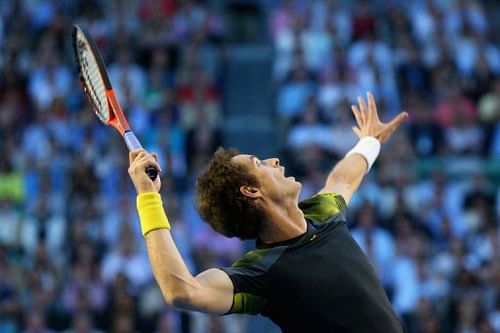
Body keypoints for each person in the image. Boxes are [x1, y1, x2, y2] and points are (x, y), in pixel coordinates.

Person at [128, 92, 408, 332]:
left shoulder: (323, 212)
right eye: (259, 163)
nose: (273, 160)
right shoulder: (261, 272)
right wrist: (149, 197)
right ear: (251, 191)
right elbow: (181, 290)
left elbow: (344, 178)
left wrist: (370, 141)